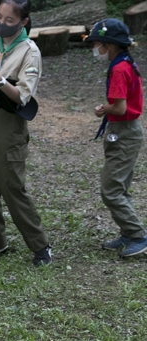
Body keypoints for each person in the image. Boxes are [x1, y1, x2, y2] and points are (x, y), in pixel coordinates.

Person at [0, 0, 51, 266]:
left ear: (24, 22)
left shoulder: (30, 51)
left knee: (11, 185)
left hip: (7, 120)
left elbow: (23, 97)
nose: (1, 23)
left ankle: (40, 246)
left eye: (9, 20)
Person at [84, 19, 147, 257]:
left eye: (98, 43)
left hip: (124, 133)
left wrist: (104, 108)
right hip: (125, 131)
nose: (96, 48)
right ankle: (128, 233)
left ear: (109, 45)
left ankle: (139, 235)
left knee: (110, 190)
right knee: (120, 187)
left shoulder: (119, 69)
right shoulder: (125, 63)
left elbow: (120, 108)